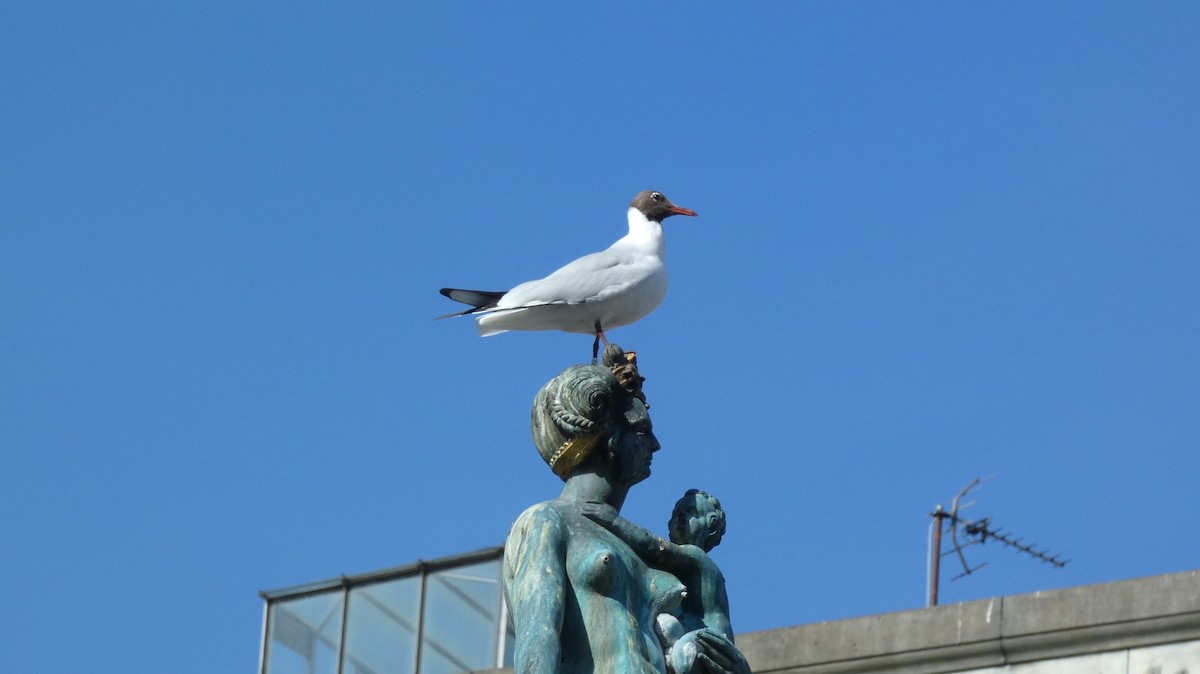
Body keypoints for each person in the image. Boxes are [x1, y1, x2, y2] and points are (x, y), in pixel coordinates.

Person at [503, 347, 747, 674]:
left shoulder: (652, 554)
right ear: (610, 438)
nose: (655, 444)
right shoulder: (547, 520)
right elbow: (539, 638)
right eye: (642, 430)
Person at [583, 489, 737, 674]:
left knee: (681, 654)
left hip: (708, 644)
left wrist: (613, 521)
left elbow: (656, 548)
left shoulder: (698, 559)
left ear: (710, 526)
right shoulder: (671, 570)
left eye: (692, 514)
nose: (682, 518)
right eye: (677, 514)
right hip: (684, 635)